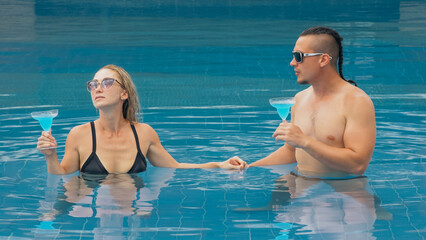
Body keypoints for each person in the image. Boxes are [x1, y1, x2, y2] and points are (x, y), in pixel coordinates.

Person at [37, 64, 247, 174]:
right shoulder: (80, 135)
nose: (97, 88)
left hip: (134, 205)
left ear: (124, 93)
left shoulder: (144, 133)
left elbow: (174, 167)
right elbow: (61, 175)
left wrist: (219, 165)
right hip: (90, 204)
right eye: (93, 84)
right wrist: (50, 156)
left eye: (107, 82)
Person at [229, 26, 376, 178]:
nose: (292, 63)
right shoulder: (299, 99)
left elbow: (358, 165)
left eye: (298, 56)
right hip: (302, 184)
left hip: (344, 191)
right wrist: (248, 167)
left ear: (323, 59)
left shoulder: (356, 102)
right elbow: (291, 152)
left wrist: (305, 141)